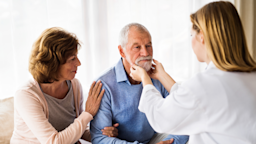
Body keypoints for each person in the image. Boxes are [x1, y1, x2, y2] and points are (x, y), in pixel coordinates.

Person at [130, 1, 256, 144]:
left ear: (201, 36)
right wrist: (161, 75)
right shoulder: (250, 76)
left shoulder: (207, 84)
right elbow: (194, 101)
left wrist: (145, 80)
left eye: (191, 35)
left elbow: (161, 117)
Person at [11, 27, 118, 144]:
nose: (79, 63)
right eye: (72, 59)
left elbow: (77, 130)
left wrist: (102, 134)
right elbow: (53, 142)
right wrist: (88, 113)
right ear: (53, 63)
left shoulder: (75, 85)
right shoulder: (26, 95)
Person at [90, 23, 189, 144]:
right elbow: (100, 139)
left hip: (155, 139)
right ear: (122, 51)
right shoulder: (103, 84)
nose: (146, 53)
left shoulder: (158, 76)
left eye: (148, 45)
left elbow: (185, 117)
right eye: (137, 47)